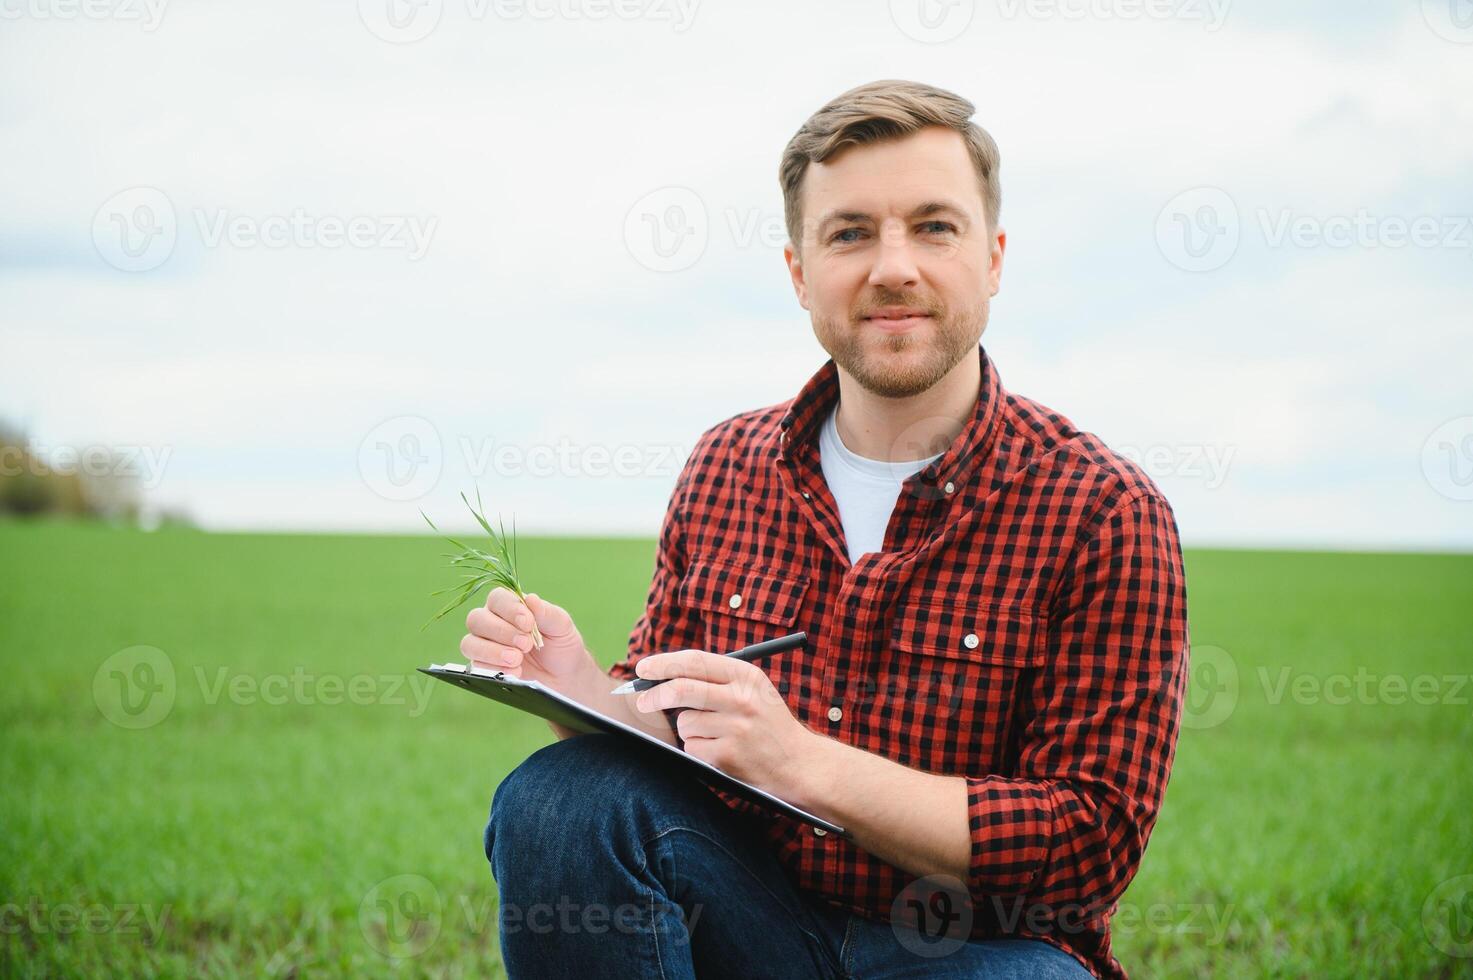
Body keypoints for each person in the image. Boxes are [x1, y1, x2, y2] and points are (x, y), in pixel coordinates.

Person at [464, 79, 1189, 979]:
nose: (892, 267)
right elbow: (678, 724)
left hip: (978, 952)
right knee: (559, 799)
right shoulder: (726, 464)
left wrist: (802, 764)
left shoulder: (1104, 510)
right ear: (799, 273)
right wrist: (579, 688)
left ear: (993, 259)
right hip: (752, 919)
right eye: (849, 233)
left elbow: (1087, 848)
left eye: (934, 225)